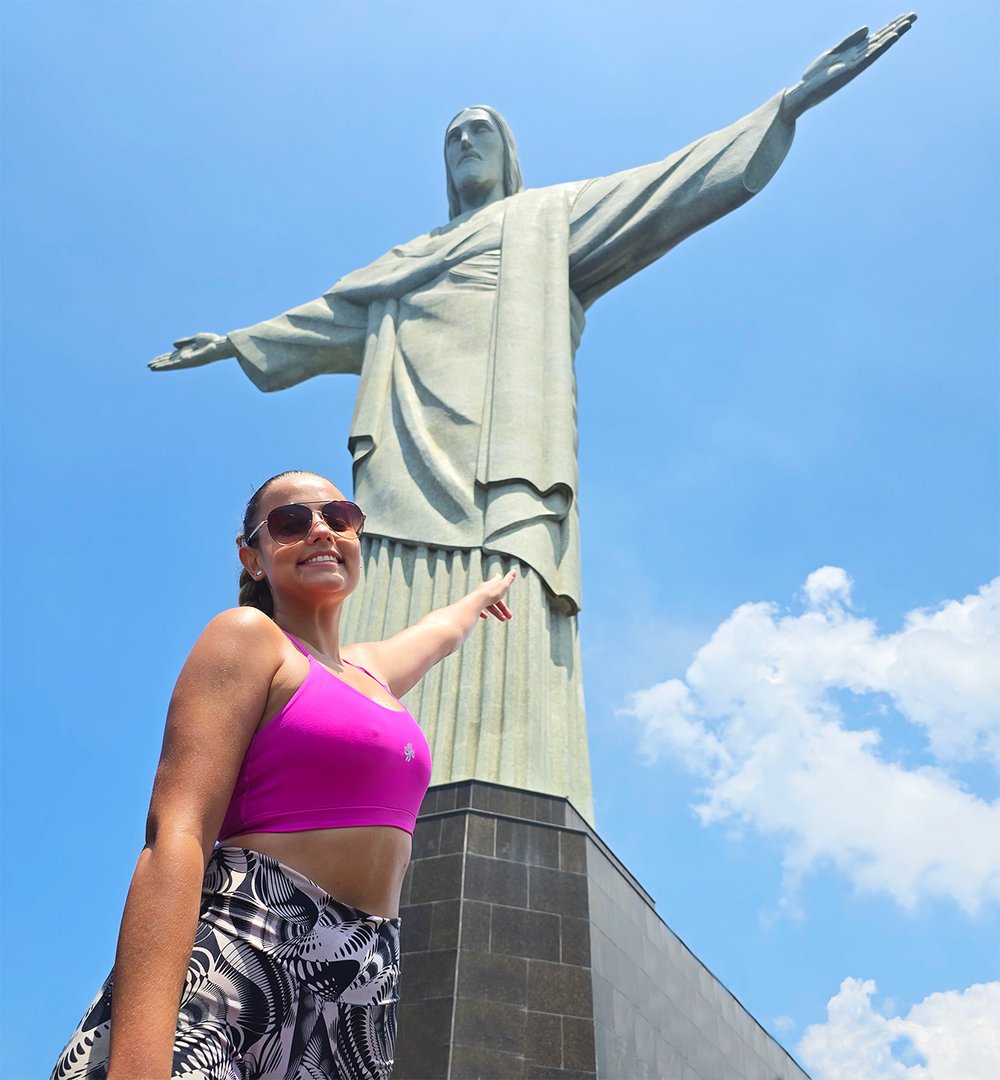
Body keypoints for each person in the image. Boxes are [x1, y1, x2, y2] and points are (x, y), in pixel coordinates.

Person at [148, 17, 916, 823]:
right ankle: (358, 782)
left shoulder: (548, 222)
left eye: (482, 130)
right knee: (373, 615)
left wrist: (788, 104)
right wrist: (233, 343)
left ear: (509, 153)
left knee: (504, 604)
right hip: (405, 455)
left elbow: (669, 188)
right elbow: (319, 322)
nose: (467, 142)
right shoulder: (403, 266)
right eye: (453, 137)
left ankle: (508, 782)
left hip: (507, 460)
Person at [50, 469, 516, 1080]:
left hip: (363, 978)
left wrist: (481, 596)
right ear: (254, 557)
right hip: (249, 946)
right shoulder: (248, 639)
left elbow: (439, 634)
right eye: (291, 523)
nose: (321, 530)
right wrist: (139, 1065)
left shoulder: (368, 672)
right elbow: (177, 835)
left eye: (339, 517)